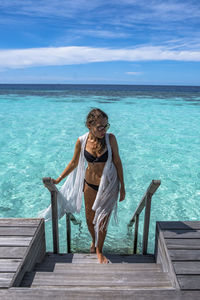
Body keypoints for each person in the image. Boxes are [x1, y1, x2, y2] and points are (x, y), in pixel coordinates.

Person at [51, 108, 125, 264]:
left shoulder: (110, 139)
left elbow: (117, 162)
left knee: (102, 221)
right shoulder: (82, 141)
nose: (103, 130)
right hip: (89, 185)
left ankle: (99, 250)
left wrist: (123, 186)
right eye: (99, 127)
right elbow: (73, 163)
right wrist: (58, 179)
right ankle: (94, 239)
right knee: (90, 219)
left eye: (106, 126)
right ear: (89, 125)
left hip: (108, 186)